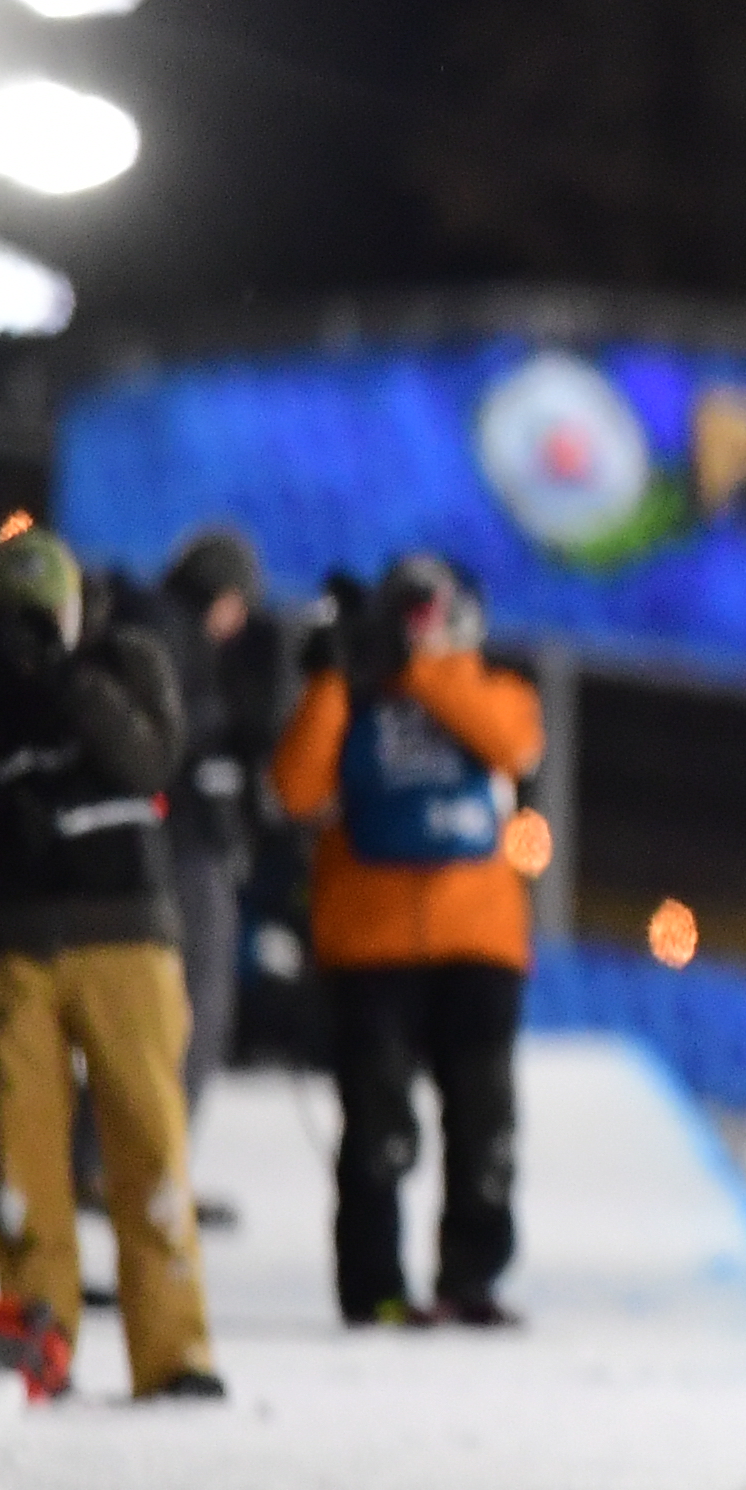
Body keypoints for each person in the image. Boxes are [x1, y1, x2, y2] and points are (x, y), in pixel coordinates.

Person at [0, 526, 214, 1400]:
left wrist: (63, 674)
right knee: (25, 1161)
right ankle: (39, 1342)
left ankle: (173, 1353)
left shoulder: (125, 657)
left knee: (147, 1147)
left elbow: (148, 754)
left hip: (125, 932)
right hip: (13, 939)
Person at [274, 553, 547, 1329]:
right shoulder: (349, 697)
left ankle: (472, 1279)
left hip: (479, 944)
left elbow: (513, 746)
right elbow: (295, 788)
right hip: (369, 945)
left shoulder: (498, 690)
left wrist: (424, 668)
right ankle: (376, 1290)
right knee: (377, 1127)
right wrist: (335, 677)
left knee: (483, 1122)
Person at [157, 523, 288, 1073]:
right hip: (186, 846)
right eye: (237, 602)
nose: (238, 621)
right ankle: (159, 1154)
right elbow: (189, 740)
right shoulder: (178, 642)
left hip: (175, 845)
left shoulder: (170, 635)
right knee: (196, 1005)